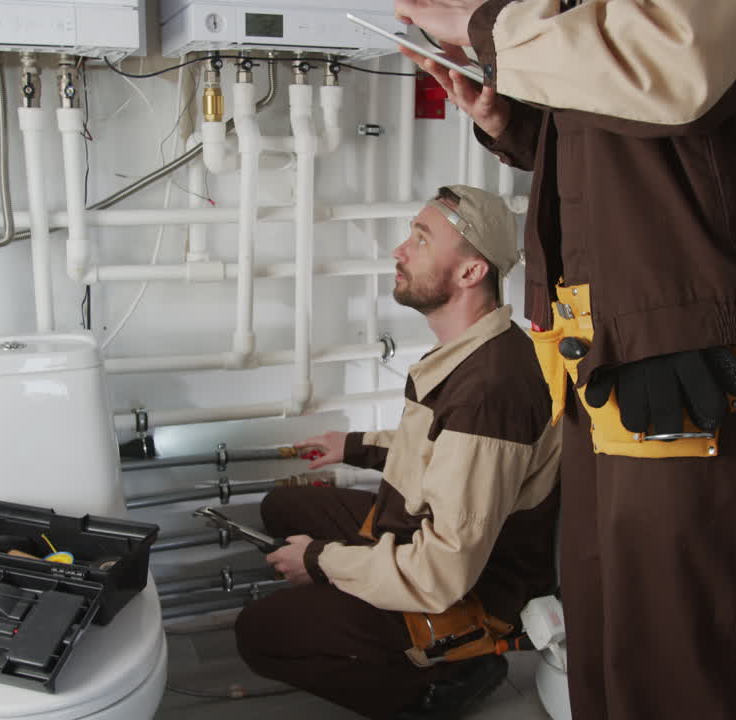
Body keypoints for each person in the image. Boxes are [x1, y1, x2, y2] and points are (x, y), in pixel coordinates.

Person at [394, 1, 736, 718]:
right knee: (610, 641)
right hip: (619, 335)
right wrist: (515, 122)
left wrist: (489, 24)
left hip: (702, 331)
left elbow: (682, 62)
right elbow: (635, 141)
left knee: (680, 654)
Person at [235, 185, 562, 719]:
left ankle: (436, 685)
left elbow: (441, 572)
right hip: (419, 529)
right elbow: (436, 451)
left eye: (421, 239)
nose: (399, 250)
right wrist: (353, 446)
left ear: (470, 273)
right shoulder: (473, 347)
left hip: (469, 591)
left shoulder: (490, 391)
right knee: (281, 508)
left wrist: (320, 562)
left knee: (258, 635)